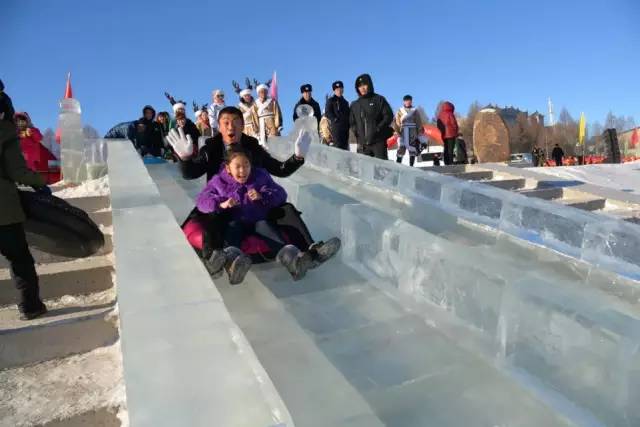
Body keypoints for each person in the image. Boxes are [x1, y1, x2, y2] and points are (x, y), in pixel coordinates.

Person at [166, 106, 340, 265]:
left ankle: (311, 252)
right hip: (226, 206)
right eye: (225, 123)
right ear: (219, 126)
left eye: (235, 122)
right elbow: (191, 174)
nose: (230, 127)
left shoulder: (252, 147)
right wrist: (185, 159)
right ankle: (214, 259)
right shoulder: (211, 148)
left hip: (255, 206)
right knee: (212, 218)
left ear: (242, 125)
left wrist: (297, 158)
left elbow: (279, 170)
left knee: (286, 209)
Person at [196, 146, 315, 283]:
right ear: (228, 168)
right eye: (238, 166)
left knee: (267, 228)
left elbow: (280, 193)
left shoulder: (259, 176)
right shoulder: (218, 182)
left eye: (246, 165)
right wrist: (221, 203)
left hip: (258, 220)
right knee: (233, 230)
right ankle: (233, 265)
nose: (243, 170)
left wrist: (263, 196)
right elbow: (202, 201)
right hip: (235, 221)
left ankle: (293, 262)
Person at [1, 104, 51, 320]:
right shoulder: (4, 132)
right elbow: (17, 170)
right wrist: (40, 183)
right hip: (3, 210)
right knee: (19, 258)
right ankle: (30, 306)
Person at [349, 74, 393, 160]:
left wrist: (378, 128)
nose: (362, 88)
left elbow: (388, 116)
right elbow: (352, 122)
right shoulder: (354, 104)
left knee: (382, 170)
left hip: (378, 142)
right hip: (363, 146)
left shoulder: (379, 99)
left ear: (369, 85)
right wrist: (357, 133)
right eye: (359, 86)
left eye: (364, 85)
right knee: (364, 171)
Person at [14, 112, 56, 178]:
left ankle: (32, 182)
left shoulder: (32, 130)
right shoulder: (17, 133)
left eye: (23, 120)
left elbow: (39, 138)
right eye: (18, 121)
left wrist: (31, 131)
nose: (20, 123)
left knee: (30, 170)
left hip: (31, 158)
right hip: (20, 156)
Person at [392, 95, 425, 167]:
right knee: (401, 148)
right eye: (406, 100)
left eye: (409, 100)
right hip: (403, 132)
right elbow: (397, 122)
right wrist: (397, 131)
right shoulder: (400, 111)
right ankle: (398, 166)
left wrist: (419, 132)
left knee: (412, 149)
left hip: (412, 132)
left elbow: (418, 122)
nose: (408, 102)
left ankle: (411, 166)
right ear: (404, 101)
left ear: (411, 101)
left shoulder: (415, 110)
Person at [324, 81, 350, 150]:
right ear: (334, 90)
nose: (339, 90)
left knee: (345, 149)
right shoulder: (331, 100)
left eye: (341, 88)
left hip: (345, 129)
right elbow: (327, 112)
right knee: (338, 148)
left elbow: (348, 114)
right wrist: (335, 119)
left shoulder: (345, 102)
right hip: (336, 129)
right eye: (337, 89)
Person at [436, 101, 459, 165]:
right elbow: (454, 124)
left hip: (443, 135)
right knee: (450, 149)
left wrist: (441, 132)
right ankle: (450, 162)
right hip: (451, 134)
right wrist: (456, 132)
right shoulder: (450, 114)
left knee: (445, 148)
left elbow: (438, 125)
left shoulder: (440, 115)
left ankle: (446, 162)